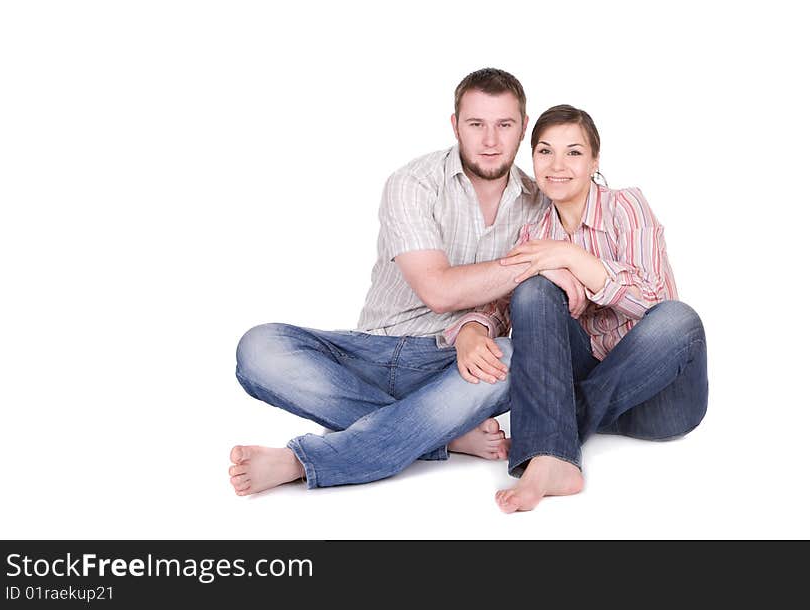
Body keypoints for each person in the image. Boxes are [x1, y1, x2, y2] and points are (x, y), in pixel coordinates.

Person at [229, 69, 590, 494]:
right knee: (259, 348)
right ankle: (440, 434)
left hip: (456, 362)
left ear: (522, 129)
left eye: (504, 125)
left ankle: (302, 461)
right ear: (455, 125)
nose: (490, 141)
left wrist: (473, 330)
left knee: (516, 359)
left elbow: (523, 306)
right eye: (476, 125)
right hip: (371, 351)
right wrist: (540, 262)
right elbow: (438, 291)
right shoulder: (413, 183)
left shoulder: (537, 204)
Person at [449, 104, 709, 512]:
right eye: (544, 152)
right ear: (532, 158)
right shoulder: (533, 233)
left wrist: (571, 256)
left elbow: (653, 300)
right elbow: (499, 306)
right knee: (533, 288)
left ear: (594, 161)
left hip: (661, 399)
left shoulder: (628, 206)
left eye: (573, 152)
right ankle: (554, 459)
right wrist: (471, 329)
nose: (557, 165)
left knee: (680, 320)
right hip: (586, 375)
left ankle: (551, 435)